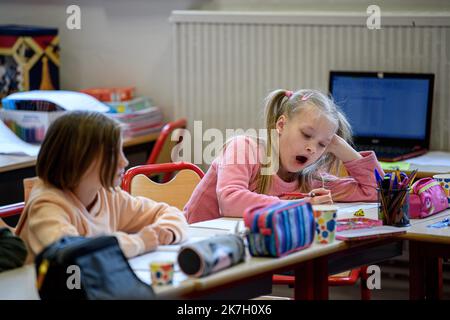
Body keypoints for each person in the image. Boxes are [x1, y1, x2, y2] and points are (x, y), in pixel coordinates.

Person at [185, 89, 384, 223]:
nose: (312, 148)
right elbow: (230, 201)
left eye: (322, 144)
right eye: (306, 135)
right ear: (281, 125)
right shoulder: (243, 148)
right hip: (193, 250)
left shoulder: (310, 178)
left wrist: (340, 146)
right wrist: (299, 206)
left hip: (250, 253)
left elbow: (378, 191)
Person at [16, 111, 188, 263]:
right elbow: (71, 254)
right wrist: (139, 242)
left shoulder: (107, 194)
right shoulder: (46, 205)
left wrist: (166, 231)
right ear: (79, 159)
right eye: (113, 153)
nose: (124, 161)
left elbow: (167, 212)